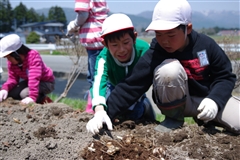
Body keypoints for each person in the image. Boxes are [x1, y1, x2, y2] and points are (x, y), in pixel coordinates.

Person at [86, 0, 240, 135]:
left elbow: (225, 77)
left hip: (207, 99)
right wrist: (104, 113)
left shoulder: (207, 45)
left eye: (171, 35)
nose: (164, 41)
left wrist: (214, 100)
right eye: (159, 34)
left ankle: (208, 120)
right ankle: (173, 119)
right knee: (169, 70)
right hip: (179, 103)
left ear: (188, 28)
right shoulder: (157, 50)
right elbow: (133, 84)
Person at [86, 13, 156, 134]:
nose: (122, 49)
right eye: (114, 45)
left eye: (125, 42)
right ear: (105, 44)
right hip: (112, 86)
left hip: (135, 89)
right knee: (107, 111)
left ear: (134, 38)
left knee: (134, 114)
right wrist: (99, 111)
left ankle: (145, 105)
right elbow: (98, 82)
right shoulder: (104, 58)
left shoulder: (144, 50)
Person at [66, 0, 109, 104]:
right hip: (103, 38)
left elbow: (83, 14)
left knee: (96, 78)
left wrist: (74, 25)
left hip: (94, 42)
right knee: (104, 76)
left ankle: (97, 105)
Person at [0, 34, 55, 104]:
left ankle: (44, 101)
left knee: (24, 94)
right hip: (30, 82)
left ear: (16, 54)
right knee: (12, 93)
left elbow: (34, 77)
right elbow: (12, 79)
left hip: (46, 82)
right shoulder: (11, 63)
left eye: (9, 57)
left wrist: (32, 97)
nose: (8, 60)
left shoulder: (33, 56)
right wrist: (5, 89)